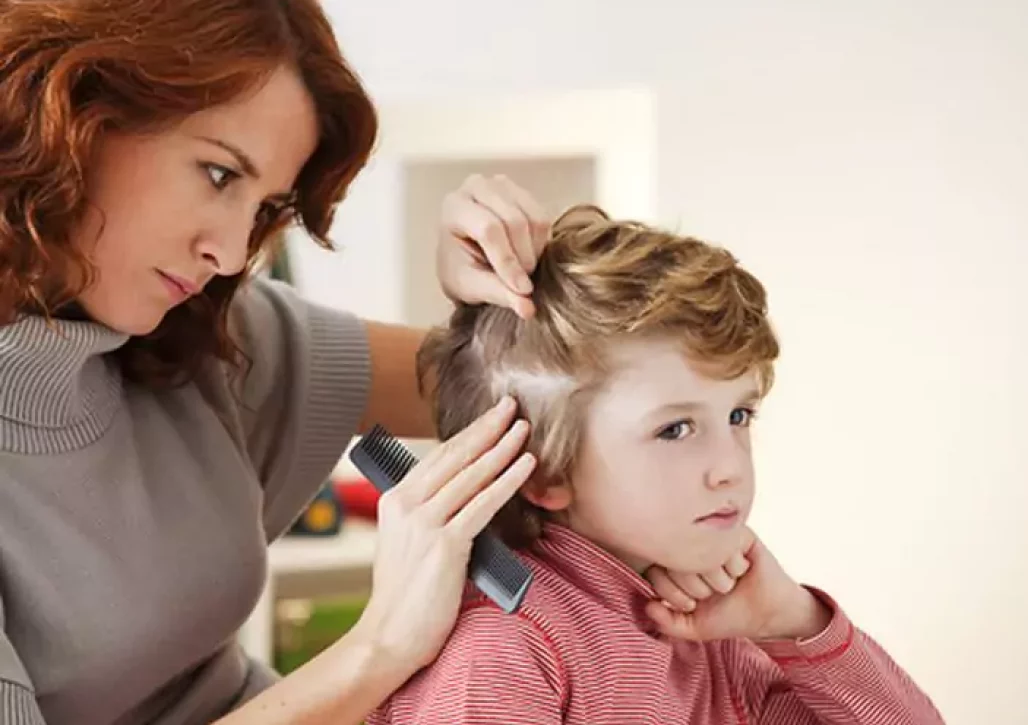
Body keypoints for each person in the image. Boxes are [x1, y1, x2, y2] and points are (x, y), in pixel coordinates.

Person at [0, 2, 726, 724]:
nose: (228, 251)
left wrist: (490, 314)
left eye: (261, 209)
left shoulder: (198, 330)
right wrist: (380, 645)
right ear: (73, 106)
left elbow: (516, 396)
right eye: (220, 174)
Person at [368, 205, 946, 724]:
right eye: (674, 429)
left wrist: (793, 619)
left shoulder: (711, 629)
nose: (729, 468)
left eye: (739, 417)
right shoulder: (504, 651)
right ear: (545, 472)